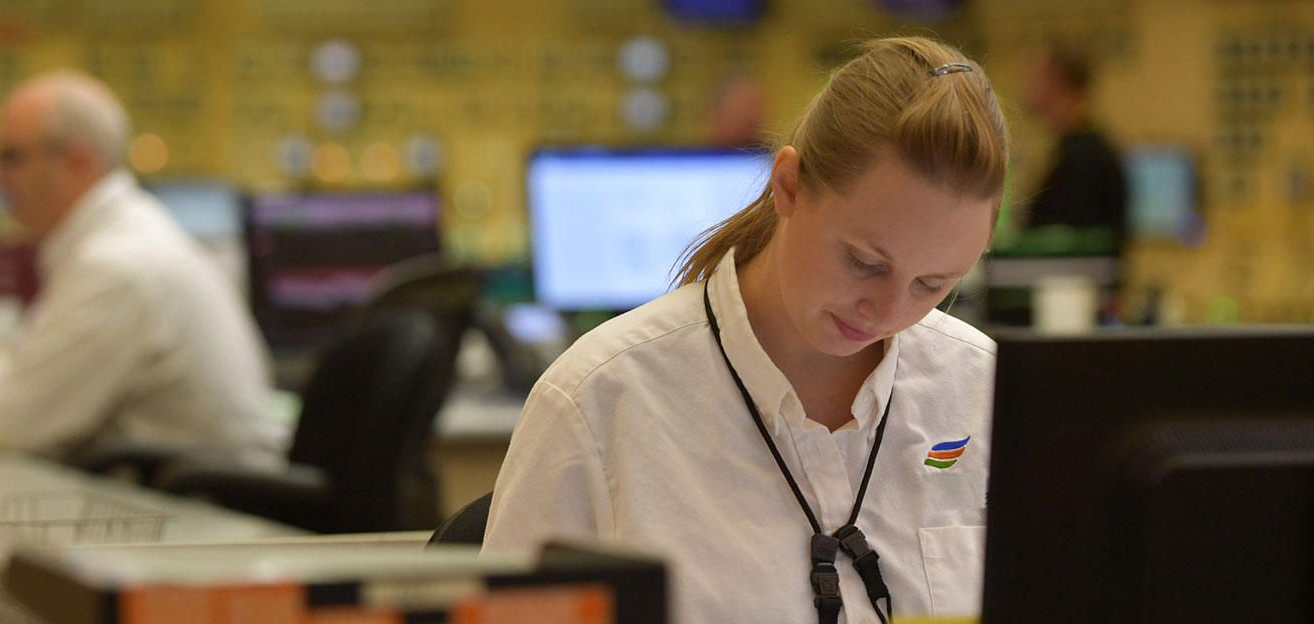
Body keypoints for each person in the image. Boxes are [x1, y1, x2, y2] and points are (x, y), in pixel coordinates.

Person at [483, 37, 1007, 624]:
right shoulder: (597, 404)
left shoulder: (988, 392)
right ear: (789, 185)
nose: (885, 312)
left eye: (932, 284)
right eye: (864, 261)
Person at [0, 71, 283, 466]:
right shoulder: (126, 238)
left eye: (11, 158)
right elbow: (12, 382)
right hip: (178, 502)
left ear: (78, 163)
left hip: (196, 514)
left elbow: (11, 425)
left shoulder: (117, 268)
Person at [1021, 43, 1128, 251]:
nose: (1027, 88)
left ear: (1057, 82)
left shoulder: (1084, 159)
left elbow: (1064, 242)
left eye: (1036, 79)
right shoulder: (1074, 150)